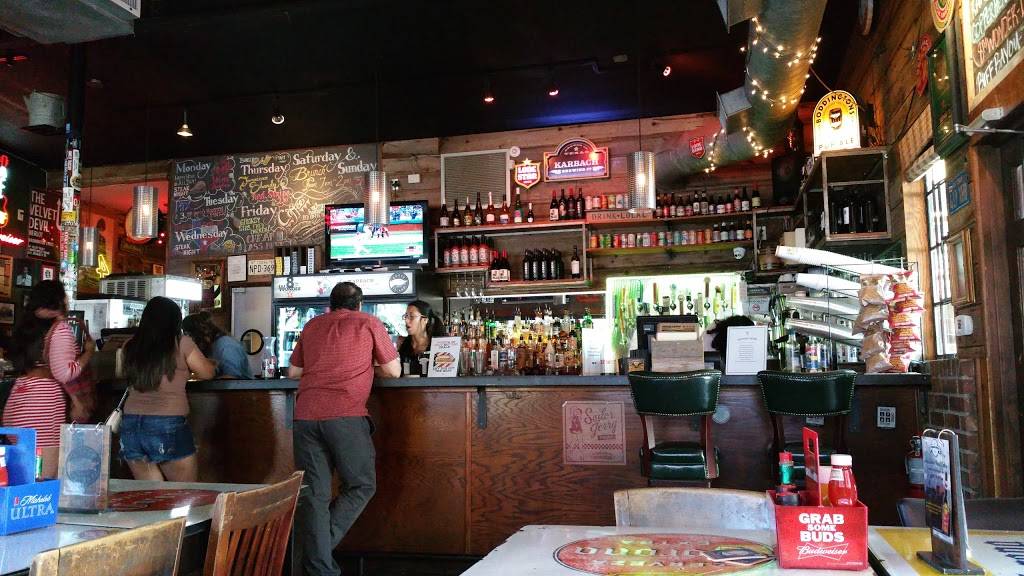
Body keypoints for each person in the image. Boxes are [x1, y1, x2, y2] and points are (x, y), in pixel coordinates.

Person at [287, 282, 400, 576]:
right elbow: (394, 370)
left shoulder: (312, 325)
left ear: (331, 304)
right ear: (359, 304)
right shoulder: (368, 322)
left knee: (315, 496)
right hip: (345, 415)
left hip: (305, 415)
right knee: (362, 485)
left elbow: (293, 372)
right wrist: (366, 364)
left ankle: (318, 563)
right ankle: (317, 555)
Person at [2, 280, 94, 478]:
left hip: (19, 395)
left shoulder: (27, 327)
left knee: (21, 474)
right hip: (43, 402)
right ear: (59, 300)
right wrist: (88, 353)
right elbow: (64, 373)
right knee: (44, 476)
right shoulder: (60, 329)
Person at [121, 296, 216, 481]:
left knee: (152, 493)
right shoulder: (181, 343)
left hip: (131, 425)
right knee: (183, 493)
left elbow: (124, 374)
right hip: (166, 423)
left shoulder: (130, 345)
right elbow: (207, 373)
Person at [182, 311, 252, 379]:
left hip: (239, 387)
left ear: (197, 333)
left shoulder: (226, 346)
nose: (188, 340)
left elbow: (231, 378)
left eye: (188, 335)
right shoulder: (210, 347)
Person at [396, 300, 445, 376]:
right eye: (406, 316)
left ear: (425, 320)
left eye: (411, 316)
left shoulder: (438, 346)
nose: (406, 320)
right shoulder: (402, 344)